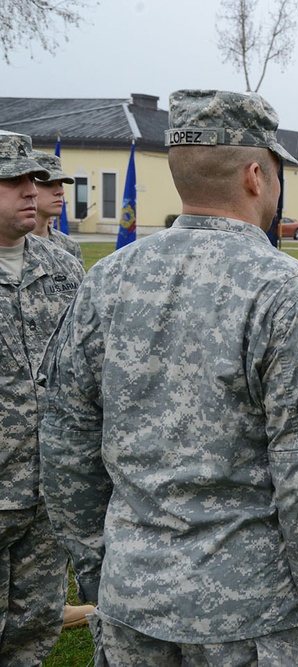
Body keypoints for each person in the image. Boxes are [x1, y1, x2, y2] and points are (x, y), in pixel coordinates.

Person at [38, 89, 298, 666]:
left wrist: (101, 570)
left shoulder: (106, 281)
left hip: (131, 599)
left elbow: (65, 445)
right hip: (249, 619)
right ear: (257, 176)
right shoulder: (290, 293)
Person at [0, 130, 85, 664]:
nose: (32, 190)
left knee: (33, 629)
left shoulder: (63, 268)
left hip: (47, 491)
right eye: (13, 181)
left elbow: (83, 374)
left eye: (34, 178)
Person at [29, 150, 84, 265]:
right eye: (48, 184)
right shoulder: (10, 244)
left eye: (60, 184)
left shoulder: (69, 246)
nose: (60, 192)